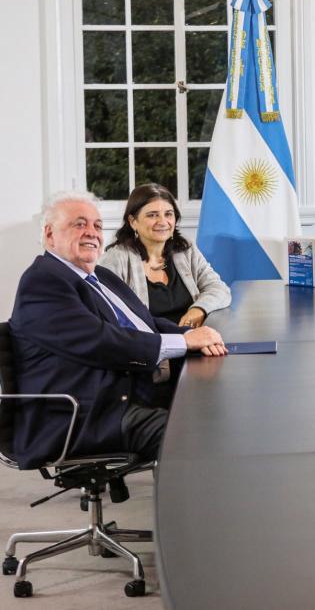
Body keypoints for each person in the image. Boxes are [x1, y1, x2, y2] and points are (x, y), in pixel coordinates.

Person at [8, 191, 227, 469]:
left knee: (220, 408)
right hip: (84, 414)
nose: (92, 232)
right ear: (50, 234)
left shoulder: (99, 276)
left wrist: (190, 336)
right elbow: (99, 341)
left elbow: (146, 322)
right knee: (193, 436)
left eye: (97, 225)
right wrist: (184, 344)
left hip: (126, 393)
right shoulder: (43, 282)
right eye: (79, 224)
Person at [98, 183, 230, 327]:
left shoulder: (185, 250)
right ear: (133, 221)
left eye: (168, 214)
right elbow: (106, 313)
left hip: (193, 336)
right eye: (152, 215)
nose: (162, 222)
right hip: (148, 340)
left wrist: (199, 309)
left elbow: (219, 289)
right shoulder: (115, 259)